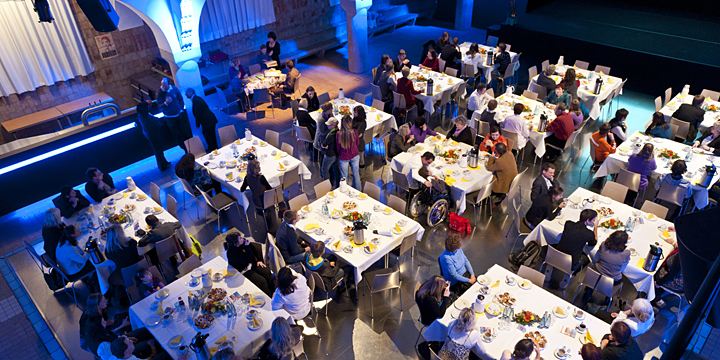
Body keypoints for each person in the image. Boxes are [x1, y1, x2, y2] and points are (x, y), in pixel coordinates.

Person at [104, 225, 142, 306]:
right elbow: (132, 241)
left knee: (111, 275)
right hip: (139, 267)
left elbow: (108, 254)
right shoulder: (131, 242)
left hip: (125, 275)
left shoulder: (109, 252)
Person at [136, 102, 171, 170]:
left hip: (150, 135)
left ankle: (163, 163)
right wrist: (160, 122)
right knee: (158, 151)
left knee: (158, 150)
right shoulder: (147, 118)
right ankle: (162, 166)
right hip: (153, 135)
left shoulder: (141, 115)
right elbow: (157, 126)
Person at [157, 78, 188, 153]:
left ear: (169, 84)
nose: (163, 87)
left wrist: (181, 109)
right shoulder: (159, 93)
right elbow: (159, 108)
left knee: (185, 132)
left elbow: (180, 99)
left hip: (179, 115)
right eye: (162, 85)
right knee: (177, 135)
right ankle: (184, 149)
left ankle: (189, 148)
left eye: (165, 85)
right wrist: (166, 103)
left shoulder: (174, 89)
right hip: (170, 118)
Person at [337, 115, 362, 190]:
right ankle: (358, 191)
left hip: (343, 156)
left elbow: (338, 147)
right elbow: (357, 143)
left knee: (344, 176)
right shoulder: (354, 132)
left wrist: (340, 154)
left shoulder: (339, 134)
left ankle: (344, 192)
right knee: (356, 174)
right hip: (354, 154)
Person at [321, 117, 341, 188]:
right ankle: (338, 184)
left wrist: (325, 145)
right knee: (336, 169)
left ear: (333, 125)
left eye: (329, 125)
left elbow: (323, 144)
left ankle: (327, 187)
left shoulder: (331, 135)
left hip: (330, 155)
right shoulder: (338, 132)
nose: (327, 126)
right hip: (336, 153)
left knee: (324, 170)